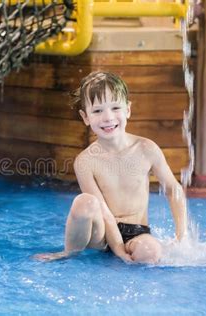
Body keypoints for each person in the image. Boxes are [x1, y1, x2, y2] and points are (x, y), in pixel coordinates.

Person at [35, 71, 188, 264]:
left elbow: (174, 189)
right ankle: (68, 253)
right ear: (85, 117)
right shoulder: (85, 161)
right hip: (101, 234)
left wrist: (180, 237)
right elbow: (104, 211)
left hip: (136, 232)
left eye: (115, 107)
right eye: (97, 111)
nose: (108, 118)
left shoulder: (146, 149)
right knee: (85, 202)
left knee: (149, 252)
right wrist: (117, 248)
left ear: (128, 110)